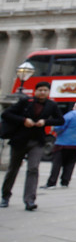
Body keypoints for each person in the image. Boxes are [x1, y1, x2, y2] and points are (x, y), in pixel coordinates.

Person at [1, 81, 65, 211]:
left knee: (33, 169)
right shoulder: (25, 101)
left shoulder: (51, 105)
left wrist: (45, 122)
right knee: (13, 169)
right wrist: (24, 120)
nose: (42, 92)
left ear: (48, 92)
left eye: (45, 90)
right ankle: (5, 196)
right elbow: (6, 114)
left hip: (37, 141)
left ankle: (30, 200)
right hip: (20, 140)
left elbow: (60, 120)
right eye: (40, 90)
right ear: (35, 91)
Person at [42, 100, 76, 190]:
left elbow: (60, 126)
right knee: (70, 163)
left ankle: (52, 183)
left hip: (63, 142)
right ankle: (65, 182)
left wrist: (55, 130)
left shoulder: (71, 115)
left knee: (57, 163)